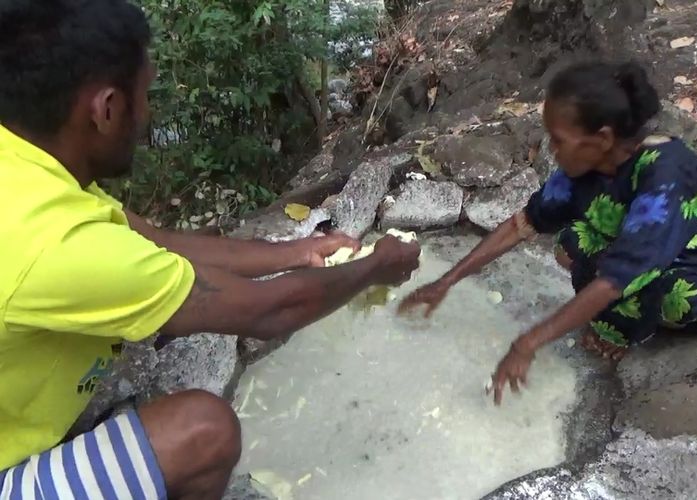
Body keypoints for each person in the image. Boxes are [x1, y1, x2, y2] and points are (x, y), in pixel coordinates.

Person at [0, 1, 421, 498]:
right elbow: (271, 312)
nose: (149, 112)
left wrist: (300, 250)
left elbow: (156, 241)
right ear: (107, 109)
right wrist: (375, 266)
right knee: (205, 432)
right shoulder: (58, 245)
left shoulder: (28, 170)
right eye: (146, 93)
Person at [400, 60, 697, 406]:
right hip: (633, 257)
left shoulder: (667, 173)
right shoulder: (585, 169)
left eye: (558, 140)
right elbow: (520, 225)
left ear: (602, 138)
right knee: (570, 243)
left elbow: (618, 279)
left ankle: (630, 329)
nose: (552, 150)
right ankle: (617, 316)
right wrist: (447, 281)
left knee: (677, 296)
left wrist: (528, 342)